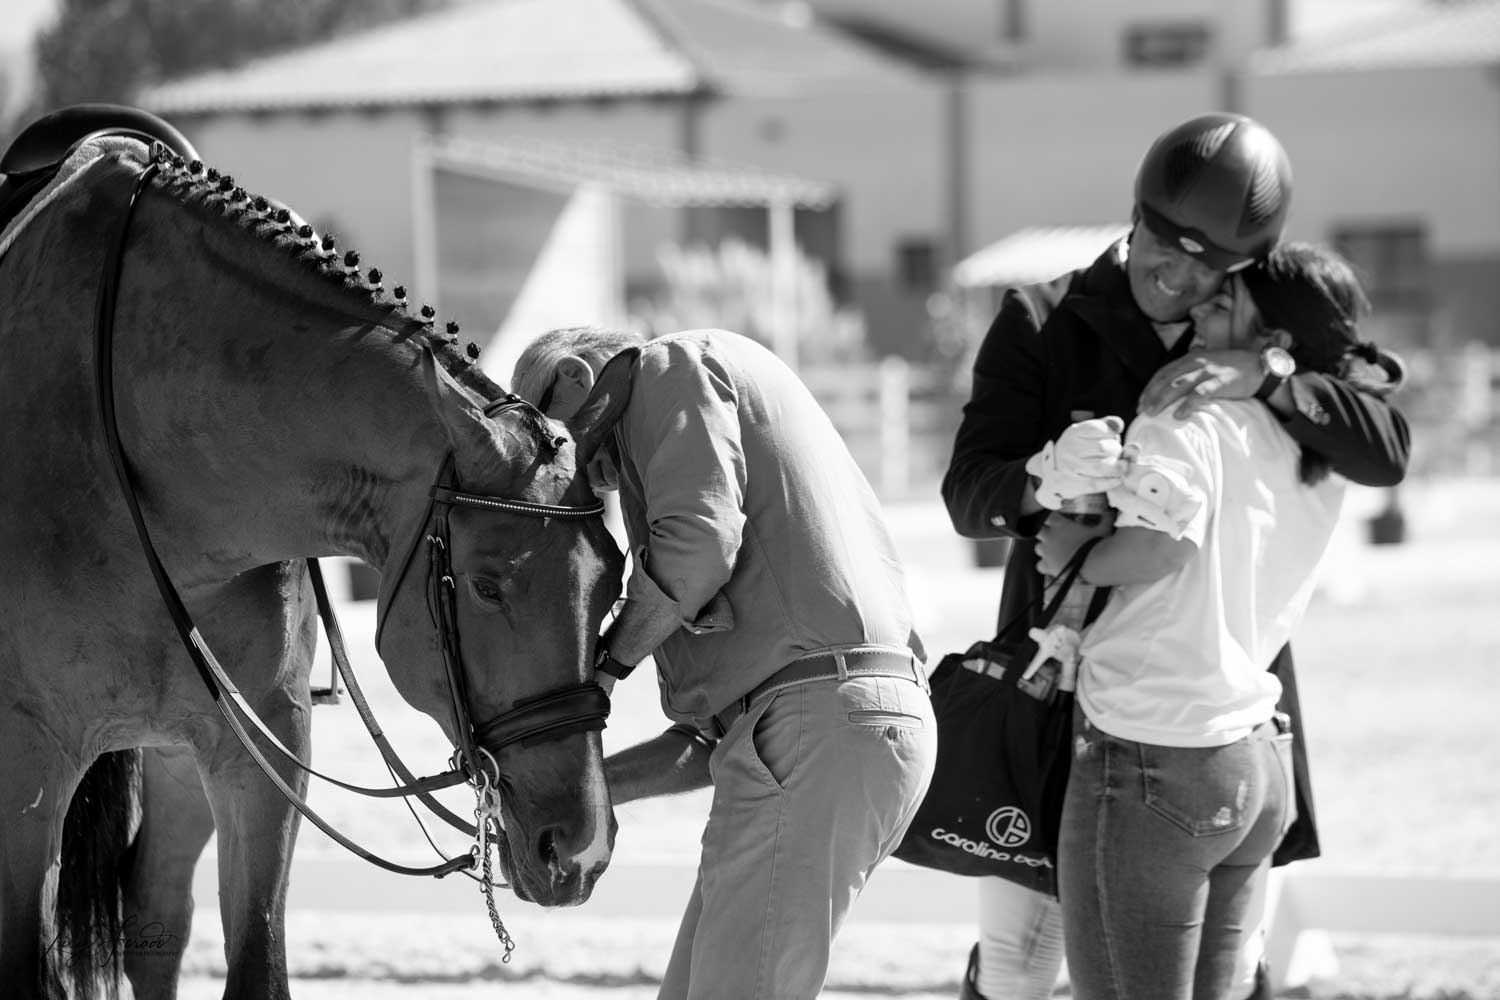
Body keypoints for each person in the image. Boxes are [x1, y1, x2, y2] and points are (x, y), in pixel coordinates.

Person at [941, 112, 1411, 1000]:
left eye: (1210, 267)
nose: (1181, 275)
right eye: (1166, 246)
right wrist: (1039, 479)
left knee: (1220, 969)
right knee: (1015, 966)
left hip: (1211, 696)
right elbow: (969, 493)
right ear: (1136, 218)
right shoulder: (1041, 320)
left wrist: (1269, 378)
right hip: (1059, 676)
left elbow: (1384, 446)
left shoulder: (1248, 324)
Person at [512, 326, 938, 1000]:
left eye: (550, 438)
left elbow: (703, 547)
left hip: (820, 722)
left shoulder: (666, 368)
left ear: (572, 379)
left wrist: (606, 668)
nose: (564, 469)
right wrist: (572, 792)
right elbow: (709, 744)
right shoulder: (691, 431)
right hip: (836, 725)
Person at [1034, 242, 1397, 998]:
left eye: (1223, 303)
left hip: (1155, 745)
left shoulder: (1185, 414)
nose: (1200, 307)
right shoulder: (1311, 445)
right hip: (1253, 756)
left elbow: (1159, 549)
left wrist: (1075, 551)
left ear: (1276, 342)